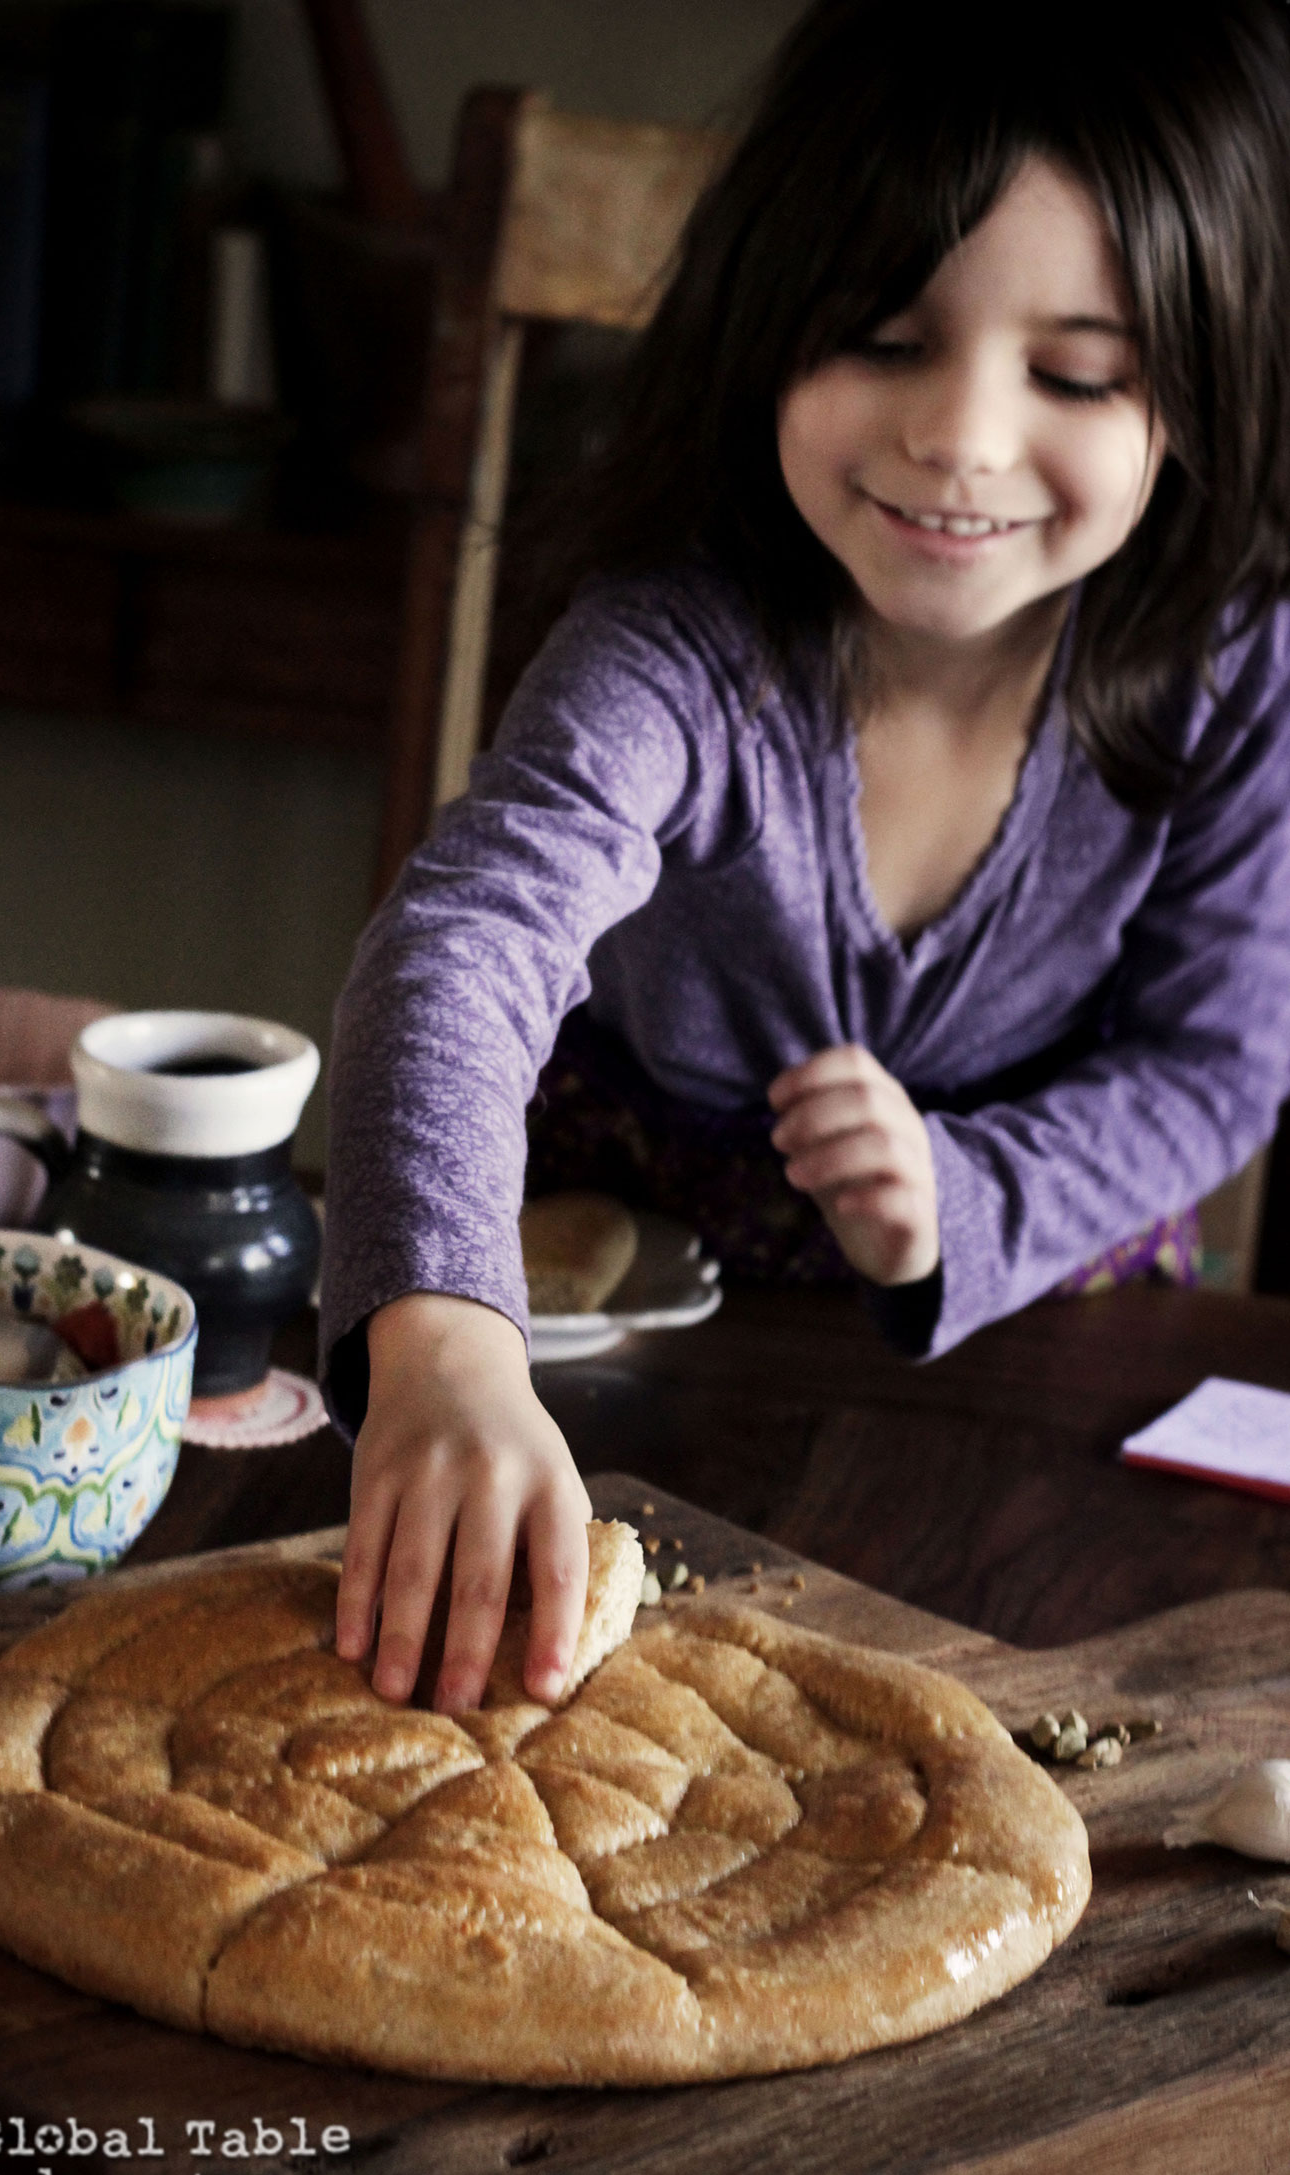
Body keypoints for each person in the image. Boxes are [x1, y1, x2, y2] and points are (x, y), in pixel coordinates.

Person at [320, 0, 1290, 1718]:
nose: (963, 437)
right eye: (887, 336)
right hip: (619, 1366)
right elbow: (464, 941)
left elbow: (1217, 1065)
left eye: (1075, 371)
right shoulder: (673, 651)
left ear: (1202, 387)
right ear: (768, 321)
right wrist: (449, 1344)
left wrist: (966, 1195)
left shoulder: (1237, 664)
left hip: (1033, 1369)